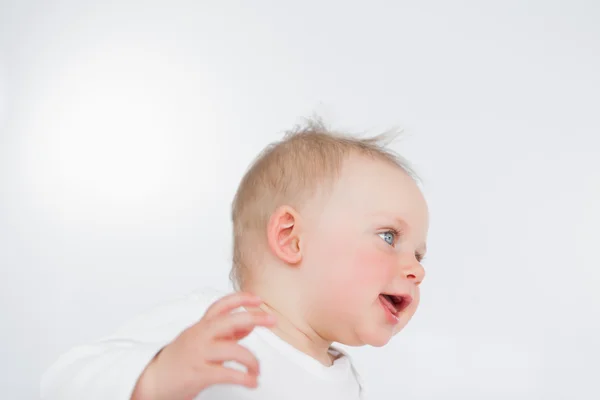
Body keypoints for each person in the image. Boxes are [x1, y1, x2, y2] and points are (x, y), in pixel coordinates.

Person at [40, 118, 429, 400]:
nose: (417, 269)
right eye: (388, 236)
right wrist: (157, 381)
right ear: (291, 238)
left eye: (418, 253)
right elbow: (61, 383)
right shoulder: (216, 328)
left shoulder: (346, 382)